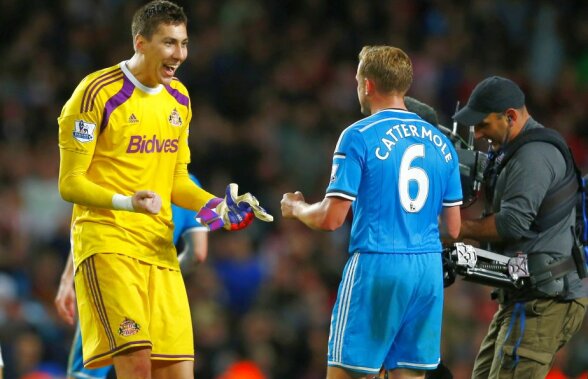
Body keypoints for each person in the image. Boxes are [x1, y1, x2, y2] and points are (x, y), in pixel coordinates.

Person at [57, 1, 269, 378]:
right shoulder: (95, 93)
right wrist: (127, 202)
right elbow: (70, 182)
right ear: (141, 43)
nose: (180, 54)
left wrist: (218, 206)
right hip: (109, 245)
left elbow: (178, 180)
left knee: (177, 371)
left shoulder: (180, 99)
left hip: (160, 251)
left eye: (184, 43)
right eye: (169, 43)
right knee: (136, 364)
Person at [281, 45, 462, 379]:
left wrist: (296, 208)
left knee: (348, 373)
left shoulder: (358, 135)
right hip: (427, 270)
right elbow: (453, 228)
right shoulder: (442, 144)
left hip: (378, 263)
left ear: (367, 85)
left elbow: (331, 219)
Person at [452, 75, 588, 379]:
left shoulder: (533, 156)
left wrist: (460, 229)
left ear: (510, 116)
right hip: (524, 293)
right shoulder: (514, 151)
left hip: (547, 300)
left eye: (483, 124)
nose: (477, 133)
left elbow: (513, 223)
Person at [55, 174, 208, 379]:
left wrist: (67, 280)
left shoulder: (120, 169)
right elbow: (198, 253)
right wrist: (166, 277)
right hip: (160, 294)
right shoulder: (188, 184)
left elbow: (88, 225)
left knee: (87, 373)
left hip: (113, 279)